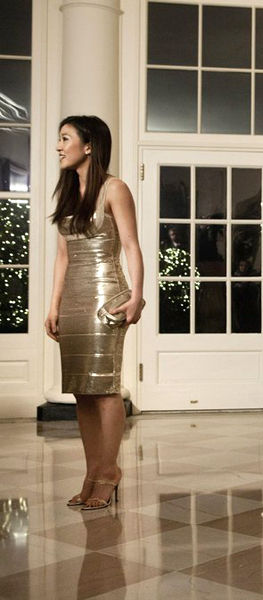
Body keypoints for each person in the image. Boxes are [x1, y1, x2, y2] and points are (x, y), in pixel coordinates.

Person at [44, 115, 144, 510]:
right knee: (81, 392)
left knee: (103, 387)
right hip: (75, 298)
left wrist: (136, 296)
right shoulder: (69, 194)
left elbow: (132, 246)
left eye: (65, 139)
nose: (58, 146)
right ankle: (91, 474)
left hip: (107, 295)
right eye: (58, 139)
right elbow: (62, 257)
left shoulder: (114, 188)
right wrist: (54, 305)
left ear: (89, 146)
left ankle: (109, 472)